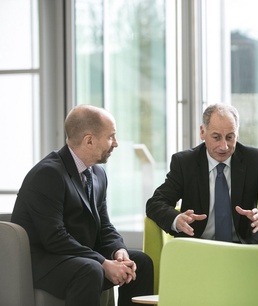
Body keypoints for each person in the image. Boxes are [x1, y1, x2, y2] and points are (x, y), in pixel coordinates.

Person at [11, 105, 153, 306]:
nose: (116, 143)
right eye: (111, 136)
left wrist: (118, 251)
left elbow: (104, 225)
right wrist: (103, 262)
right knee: (91, 270)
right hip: (44, 260)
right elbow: (54, 238)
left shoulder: (98, 173)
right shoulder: (48, 174)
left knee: (141, 263)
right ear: (89, 140)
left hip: (79, 256)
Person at [146, 103, 258, 244]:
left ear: (237, 134)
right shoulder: (185, 163)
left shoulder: (255, 160)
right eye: (216, 137)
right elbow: (155, 203)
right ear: (202, 132)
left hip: (244, 249)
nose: (224, 146)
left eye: (230, 137)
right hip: (197, 248)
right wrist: (176, 219)